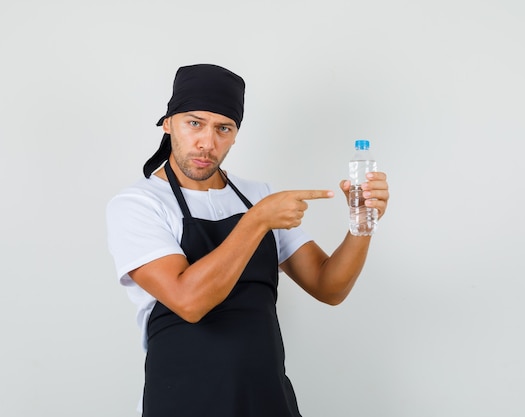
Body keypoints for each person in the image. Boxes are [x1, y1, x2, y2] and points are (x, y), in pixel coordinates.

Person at [106, 63, 389, 417]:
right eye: (194, 123)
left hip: (266, 400)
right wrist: (256, 220)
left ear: (235, 134)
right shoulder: (139, 204)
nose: (207, 142)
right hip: (182, 401)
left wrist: (362, 222)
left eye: (223, 128)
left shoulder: (258, 195)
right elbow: (188, 301)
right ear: (168, 123)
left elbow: (328, 286)